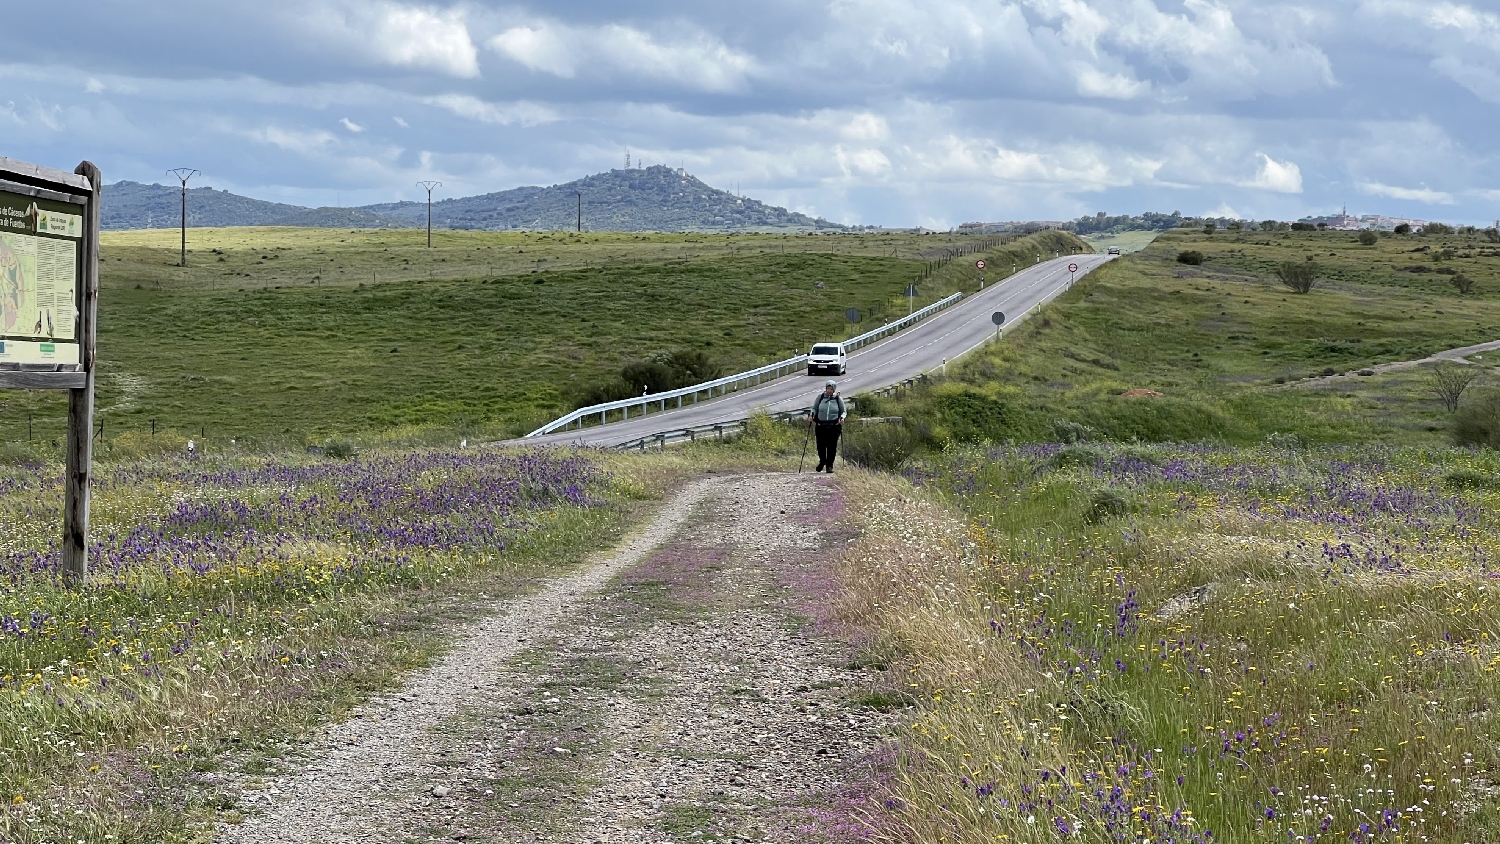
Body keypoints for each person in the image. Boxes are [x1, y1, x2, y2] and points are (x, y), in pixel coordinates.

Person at [809, 380, 846, 473]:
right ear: (825, 389)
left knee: (831, 447)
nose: (829, 390)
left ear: (834, 390)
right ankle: (822, 462)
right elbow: (814, 408)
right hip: (821, 425)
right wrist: (811, 415)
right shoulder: (820, 397)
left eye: (831, 389)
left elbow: (843, 411)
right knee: (820, 446)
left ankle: (829, 466)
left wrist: (842, 418)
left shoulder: (838, 399)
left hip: (834, 426)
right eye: (828, 388)